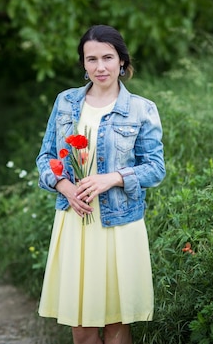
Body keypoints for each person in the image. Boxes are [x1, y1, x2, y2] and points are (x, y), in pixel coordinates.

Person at [36, 25, 166, 344]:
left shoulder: (141, 109)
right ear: (83, 64)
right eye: (91, 59)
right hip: (75, 222)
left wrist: (114, 177)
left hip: (119, 226)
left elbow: (155, 168)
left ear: (122, 61)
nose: (100, 67)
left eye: (108, 58)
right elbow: (45, 158)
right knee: (81, 331)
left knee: (116, 324)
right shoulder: (65, 102)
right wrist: (64, 187)